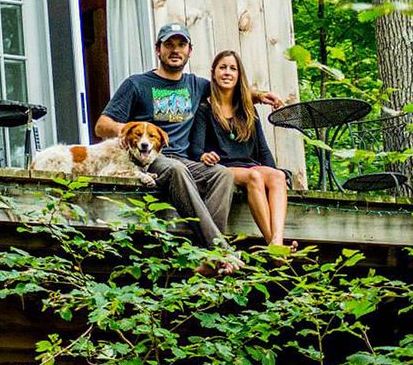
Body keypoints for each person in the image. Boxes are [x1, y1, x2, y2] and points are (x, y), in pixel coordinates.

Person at [94, 23, 283, 273]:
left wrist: (258, 95)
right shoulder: (137, 84)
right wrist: (127, 130)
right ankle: (219, 249)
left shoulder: (195, 85)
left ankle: (208, 257)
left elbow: (226, 88)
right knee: (176, 170)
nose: (175, 50)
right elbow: (101, 125)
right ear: (158, 50)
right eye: (169, 45)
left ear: (189, 51)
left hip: (185, 159)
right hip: (150, 159)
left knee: (223, 174)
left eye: (181, 45)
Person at [188, 50, 296, 250]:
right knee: (254, 176)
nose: (227, 72)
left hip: (250, 166)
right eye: (222, 67)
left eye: (233, 68)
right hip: (224, 168)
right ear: (213, 73)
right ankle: (273, 245)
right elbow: (195, 149)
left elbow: (262, 149)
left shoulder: (247, 110)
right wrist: (204, 156)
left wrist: (272, 172)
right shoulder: (205, 109)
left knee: (277, 176)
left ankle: (277, 241)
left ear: (239, 75)